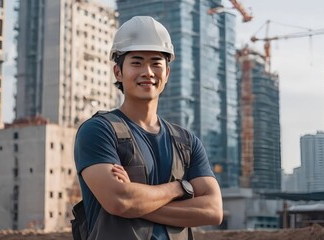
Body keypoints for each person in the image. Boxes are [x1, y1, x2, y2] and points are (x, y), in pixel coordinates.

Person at [74, 16, 223, 240]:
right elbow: (119, 200)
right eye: (136, 62)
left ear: (167, 73)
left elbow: (213, 210)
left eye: (156, 62)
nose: (148, 72)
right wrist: (180, 189)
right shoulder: (98, 131)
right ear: (118, 72)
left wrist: (135, 203)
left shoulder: (186, 142)